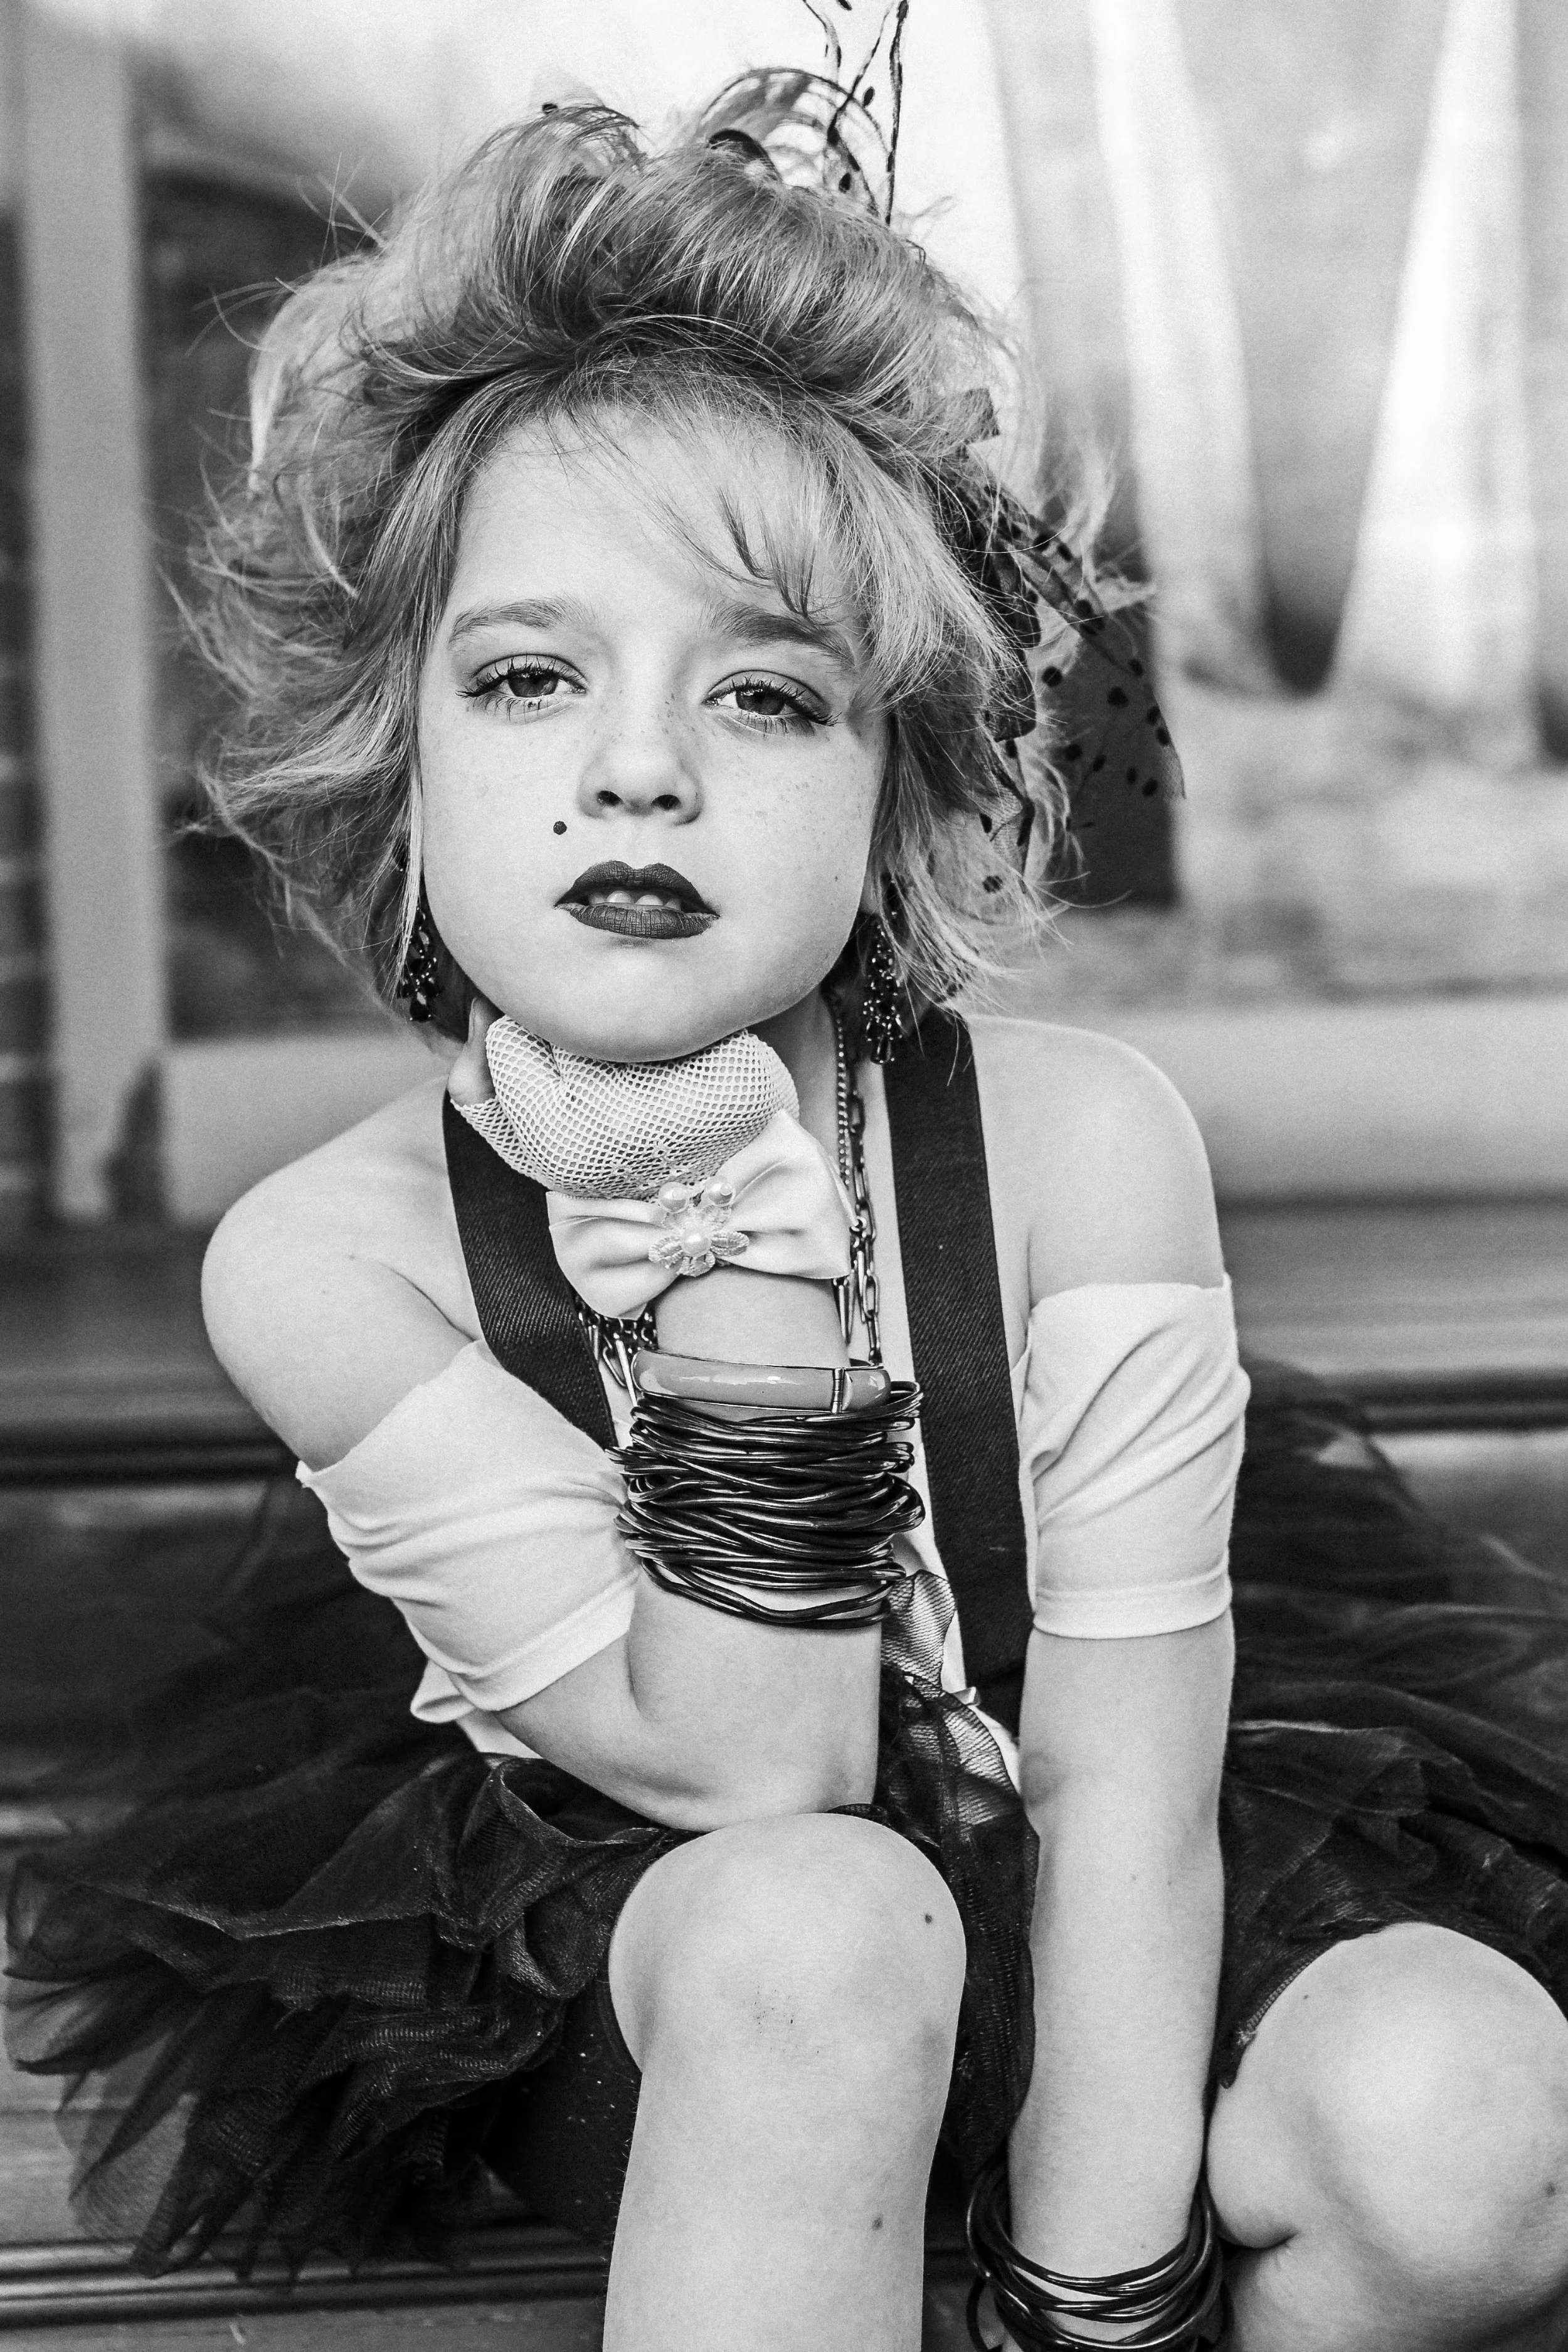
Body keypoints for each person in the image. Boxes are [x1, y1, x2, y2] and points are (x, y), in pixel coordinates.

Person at [9, 78, 1568, 2352]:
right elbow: (762, 1761)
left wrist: (1091, 2294)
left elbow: (1127, 1782)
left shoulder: (1080, 1134)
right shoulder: (321, 1258)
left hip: (1087, 1860)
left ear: (897, 782)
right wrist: (727, 1213)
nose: (639, 766)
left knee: (1471, 2116)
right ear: (399, 747)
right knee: (824, 1917)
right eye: (531, 677)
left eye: (761, 691)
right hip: (681, 1945)